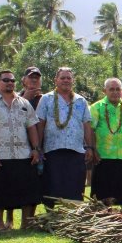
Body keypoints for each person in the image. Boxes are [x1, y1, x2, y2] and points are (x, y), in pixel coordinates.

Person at [0, 69, 43, 231]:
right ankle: (1, 225)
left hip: (23, 154)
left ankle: (25, 224)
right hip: (1, 154)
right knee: (0, 192)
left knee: (27, 191)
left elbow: (32, 127)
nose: (9, 83)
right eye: (5, 80)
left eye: (12, 81)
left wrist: (36, 149)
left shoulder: (24, 103)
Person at [35, 67, 94, 206]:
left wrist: (90, 147)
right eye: (62, 78)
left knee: (74, 185)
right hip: (52, 150)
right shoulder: (46, 99)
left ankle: (72, 217)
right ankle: (52, 216)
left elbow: (86, 125)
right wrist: (38, 147)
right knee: (52, 185)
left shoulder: (81, 100)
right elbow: (40, 124)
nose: (66, 80)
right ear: (56, 80)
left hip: (76, 150)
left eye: (68, 78)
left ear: (72, 80)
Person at [90, 78, 122, 206]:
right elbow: (90, 130)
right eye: (111, 89)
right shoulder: (96, 107)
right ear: (104, 90)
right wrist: (93, 149)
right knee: (102, 199)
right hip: (102, 158)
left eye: (118, 89)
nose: (115, 92)